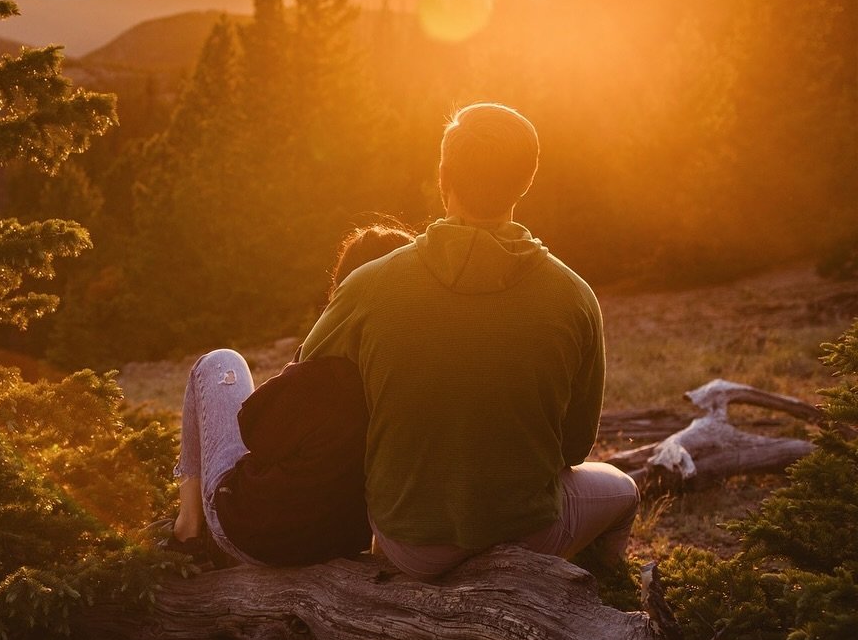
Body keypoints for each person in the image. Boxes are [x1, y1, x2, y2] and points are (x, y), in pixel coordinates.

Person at [300, 103, 638, 581]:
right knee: (624, 491)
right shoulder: (575, 296)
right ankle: (604, 591)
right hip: (528, 535)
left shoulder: (368, 285)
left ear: (444, 176)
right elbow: (576, 447)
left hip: (406, 542)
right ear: (527, 181)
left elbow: (304, 384)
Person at [164, 223, 414, 567]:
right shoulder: (405, 383)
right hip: (337, 544)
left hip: (255, 536)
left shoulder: (327, 374)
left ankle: (188, 530)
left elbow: (254, 430)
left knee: (219, 362)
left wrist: (303, 358)